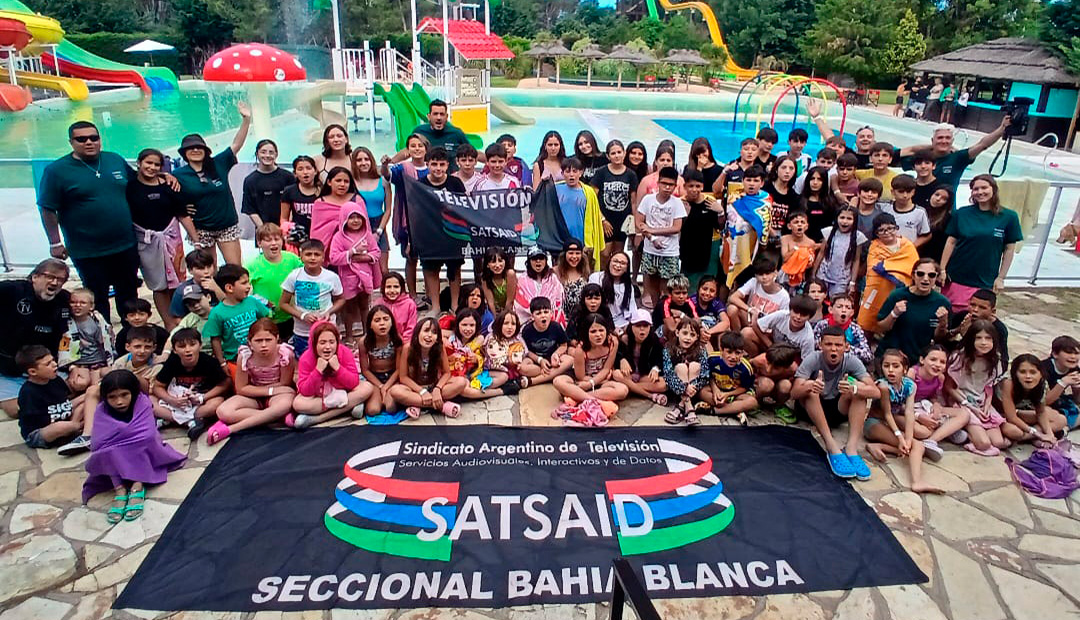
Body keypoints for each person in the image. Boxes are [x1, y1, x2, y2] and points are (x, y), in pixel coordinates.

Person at [38, 122, 143, 321]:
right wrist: (55, 242)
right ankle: (101, 339)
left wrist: (163, 177)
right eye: (81, 139)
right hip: (88, 250)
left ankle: (130, 337)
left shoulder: (114, 160)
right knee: (96, 297)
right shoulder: (56, 171)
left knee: (129, 293)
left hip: (125, 244)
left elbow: (138, 185)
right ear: (71, 142)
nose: (89, 142)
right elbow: (47, 208)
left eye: (93, 138)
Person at [83, 370, 186, 522]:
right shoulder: (101, 411)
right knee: (106, 451)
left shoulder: (142, 402)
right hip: (113, 455)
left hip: (141, 447)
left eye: (124, 394)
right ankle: (120, 489)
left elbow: (148, 435)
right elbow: (98, 443)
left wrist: (128, 440)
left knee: (142, 442)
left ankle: (138, 484)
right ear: (105, 398)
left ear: (133, 392)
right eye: (112, 397)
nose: (119, 401)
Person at [172, 101, 252, 265]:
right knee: (208, 271)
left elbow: (236, 145)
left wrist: (246, 120)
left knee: (235, 269)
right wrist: (182, 207)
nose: (195, 150)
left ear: (205, 150)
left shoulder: (218, 163)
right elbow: (168, 196)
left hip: (226, 225)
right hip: (201, 228)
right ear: (184, 153)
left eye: (198, 147)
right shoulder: (178, 175)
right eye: (190, 148)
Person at [792, 326, 877, 480]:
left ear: (846, 346)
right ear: (820, 345)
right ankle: (831, 446)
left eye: (838, 345)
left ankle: (851, 449)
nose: (834, 349)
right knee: (811, 390)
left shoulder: (851, 360)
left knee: (860, 392)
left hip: (836, 409)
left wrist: (854, 388)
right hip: (811, 409)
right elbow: (794, 392)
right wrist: (810, 385)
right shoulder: (813, 358)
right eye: (829, 344)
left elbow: (875, 391)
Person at [127, 148, 197, 329]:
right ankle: (168, 323)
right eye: (148, 163)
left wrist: (195, 239)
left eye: (156, 164)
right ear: (139, 163)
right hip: (147, 242)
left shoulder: (169, 185)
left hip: (171, 239)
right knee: (158, 285)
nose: (152, 167)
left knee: (177, 282)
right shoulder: (130, 186)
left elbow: (182, 214)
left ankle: (181, 320)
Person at [863, 349, 944, 494]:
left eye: (896, 366)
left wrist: (907, 437)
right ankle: (916, 482)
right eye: (886, 366)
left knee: (915, 444)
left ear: (905, 368)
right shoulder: (883, 386)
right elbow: (887, 414)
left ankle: (878, 446)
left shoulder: (910, 385)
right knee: (916, 447)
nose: (891, 370)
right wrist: (901, 438)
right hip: (875, 423)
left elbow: (909, 411)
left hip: (893, 419)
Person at [939, 174, 1022, 306]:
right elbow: (950, 242)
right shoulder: (962, 213)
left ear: (993, 189)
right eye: (976, 189)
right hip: (956, 276)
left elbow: (1009, 250)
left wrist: (1001, 278)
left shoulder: (1009, 217)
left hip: (986, 279)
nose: (980, 192)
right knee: (950, 315)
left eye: (984, 188)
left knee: (978, 317)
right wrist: (942, 270)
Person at [210, 319, 296, 444]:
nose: (264, 345)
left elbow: (285, 384)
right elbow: (241, 388)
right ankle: (276, 417)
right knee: (223, 411)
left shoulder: (285, 354)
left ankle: (232, 428)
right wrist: (271, 390)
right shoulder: (245, 356)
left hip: (277, 396)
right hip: (255, 395)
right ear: (249, 342)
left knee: (283, 404)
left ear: (277, 338)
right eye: (258, 341)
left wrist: (275, 391)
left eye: (268, 340)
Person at [946, 320, 1019, 455]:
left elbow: (988, 386)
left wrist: (987, 404)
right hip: (962, 402)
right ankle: (962, 434)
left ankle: (968, 433)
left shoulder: (994, 360)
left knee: (998, 443)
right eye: (978, 338)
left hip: (981, 402)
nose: (984, 342)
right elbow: (949, 388)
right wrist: (970, 406)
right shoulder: (959, 357)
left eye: (988, 338)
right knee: (984, 444)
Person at [898, 119, 1011, 201]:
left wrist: (1001, 129)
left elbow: (982, 145)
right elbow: (889, 159)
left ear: (952, 141)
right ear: (932, 140)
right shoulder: (921, 158)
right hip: (919, 207)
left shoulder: (958, 158)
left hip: (946, 211)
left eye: (947, 138)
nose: (944, 141)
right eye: (940, 138)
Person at [291, 321, 374, 428]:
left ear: (337, 342)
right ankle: (350, 406)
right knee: (298, 403)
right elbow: (305, 391)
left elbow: (353, 382)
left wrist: (338, 368)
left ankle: (317, 419)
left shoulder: (344, 352)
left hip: (343, 391)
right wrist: (317, 371)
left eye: (331, 342)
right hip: (320, 396)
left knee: (367, 387)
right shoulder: (306, 358)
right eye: (322, 342)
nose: (327, 347)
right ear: (314, 343)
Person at [152, 328, 229, 440]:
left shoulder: (209, 362)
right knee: (149, 401)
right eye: (182, 347)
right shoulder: (172, 362)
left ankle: (170, 420)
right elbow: (157, 386)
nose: (188, 350)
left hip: (198, 401)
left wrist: (202, 398)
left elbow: (225, 383)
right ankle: (190, 422)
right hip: (176, 400)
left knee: (217, 403)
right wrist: (171, 400)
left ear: (200, 345)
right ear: (174, 350)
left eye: (192, 345)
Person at [16, 345, 92, 455]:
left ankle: (77, 430)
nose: (55, 365)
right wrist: (69, 420)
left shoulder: (55, 380)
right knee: (60, 427)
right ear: (32, 372)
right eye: (48, 364)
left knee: (87, 399)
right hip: (42, 430)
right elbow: (37, 421)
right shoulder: (28, 392)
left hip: (63, 415)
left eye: (53, 360)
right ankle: (78, 428)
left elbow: (66, 402)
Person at [418, 148, 468, 314]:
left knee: (454, 269)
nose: (437, 168)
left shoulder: (455, 183)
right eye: (434, 164)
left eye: (441, 164)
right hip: (429, 234)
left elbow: (464, 208)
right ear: (427, 165)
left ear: (447, 165)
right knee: (431, 269)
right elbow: (415, 210)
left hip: (452, 234)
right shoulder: (421, 184)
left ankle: (454, 304)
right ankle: (436, 306)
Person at [0, 259, 71, 377]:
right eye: (50, 277)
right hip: (6, 363)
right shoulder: (13, 290)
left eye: (60, 279)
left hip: (44, 367)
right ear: (34, 277)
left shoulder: (64, 300)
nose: (54, 282)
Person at [388, 317, 467, 418]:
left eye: (434, 332)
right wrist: (422, 391)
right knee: (395, 391)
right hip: (415, 389)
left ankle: (418, 405)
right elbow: (403, 377)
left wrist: (438, 388)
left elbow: (447, 373)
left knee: (461, 382)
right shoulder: (408, 348)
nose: (429, 335)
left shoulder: (439, 347)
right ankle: (441, 406)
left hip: (434, 386)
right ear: (417, 333)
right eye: (426, 331)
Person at [382, 133, 429, 304]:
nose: (417, 149)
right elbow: (388, 176)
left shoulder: (432, 168)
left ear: (426, 148)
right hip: (406, 219)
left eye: (420, 146)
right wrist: (385, 165)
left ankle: (429, 294)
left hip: (427, 221)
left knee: (428, 261)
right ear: (408, 149)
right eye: (413, 146)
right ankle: (413, 295)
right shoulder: (402, 168)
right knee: (410, 258)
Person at [875, 258, 951, 361]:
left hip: (919, 361)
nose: (925, 278)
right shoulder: (897, 295)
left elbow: (940, 339)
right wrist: (894, 314)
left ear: (936, 278)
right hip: (891, 358)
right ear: (913, 275)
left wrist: (943, 324)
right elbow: (880, 328)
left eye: (931, 275)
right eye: (920, 274)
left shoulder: (942, 303)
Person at [279, 239, 344, 358]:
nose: (312, 258)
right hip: (302, 332)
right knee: (304, 362)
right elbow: (283, 304)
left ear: (323, 257)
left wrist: (328, 312)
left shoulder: (332, 277)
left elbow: (341, 299)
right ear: (301, 256)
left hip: (326, 330)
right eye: (308, 254)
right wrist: (302, 315)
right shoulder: (294, 276)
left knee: (330, 361)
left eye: (317, 254)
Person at [856, 213, 920, 334]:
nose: (887, 232)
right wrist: (893, 270)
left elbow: (912, 266)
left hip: (901, 289)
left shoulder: (907, 246)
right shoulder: (875, 247)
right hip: (878, 288)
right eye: (882, 230)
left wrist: (890, 269)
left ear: (896, 228)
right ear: (876, 233)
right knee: (869, 318)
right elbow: (874, 268)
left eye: (890, 228)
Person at [329, 204, 381, 343]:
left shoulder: (367, 235)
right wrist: (352, 252)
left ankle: (366, 334)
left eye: (359, 217)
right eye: (351, 217)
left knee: (365, 306)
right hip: (348, 279)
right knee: (349, 308)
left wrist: (361, 258)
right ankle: (349, 335)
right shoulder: (338, 237)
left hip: (365, 277)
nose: (356, 220)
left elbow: (376, 253)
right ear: (344, 219)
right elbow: (334, 258)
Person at [205, 264, 272, 369]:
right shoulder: (217, 313)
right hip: (235, 359)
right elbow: (215, 339)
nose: (249, 286)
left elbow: (266, 321)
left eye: (248, 282)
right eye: (244, 283)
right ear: (229, 288)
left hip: (259, 354)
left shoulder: (252, 301)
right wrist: (222, 363)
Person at [553, 313, 627, 405]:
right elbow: (580, 376)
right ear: (586, 333)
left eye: (601, 330)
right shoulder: (580, 350)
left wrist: (591, 383)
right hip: (582, 378)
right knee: (558, 381)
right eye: (593, 331)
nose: (598, 335)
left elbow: (606, 369)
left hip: (601, 379)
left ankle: (579, 397)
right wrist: (589, 382)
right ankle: (595, 400)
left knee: (622, 390)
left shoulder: (612, 343)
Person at [636, 166, 685, 305]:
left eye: (671, 185)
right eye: (664, 183)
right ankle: (655, 312)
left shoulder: (677, 203)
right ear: (658, 183)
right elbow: (640, 222)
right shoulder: (648, 200)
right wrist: (651, 237)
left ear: (675, 186)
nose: (667, 188)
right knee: (651, 285)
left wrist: (652, 231)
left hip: (669, 251)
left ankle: (664, 311)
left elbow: (676, 227)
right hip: (650, 250)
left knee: (666, 287)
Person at [246, 223, 303, 343]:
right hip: (267, 319)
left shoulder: (292, 259)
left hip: (292, 315)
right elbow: (245, 291)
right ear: (259, 243)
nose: (273, 243)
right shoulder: (252, 265)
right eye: (268, 240)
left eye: (277, 239)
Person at [998, 354, 1067, 447]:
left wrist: (1049, 435)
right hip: (1003, 415)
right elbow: (1011, 417)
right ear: (1015, 373)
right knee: (1013, 431)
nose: (1028, 376)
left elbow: (1041, 413)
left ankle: (1026, 438)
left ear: (1040, 373)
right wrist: (1038, 434)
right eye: (1022, 372)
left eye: (1033, 372)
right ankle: (1030, 436)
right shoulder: (1008, 383)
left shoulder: (1042, 383)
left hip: (1023, 413)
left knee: (1061, 420)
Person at [723, 164, 773, 287]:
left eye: (756, 181)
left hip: (751, 247)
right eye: (748, 180)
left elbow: (765, 224)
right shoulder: (733, 197)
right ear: (743, 181)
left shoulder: (766, 200)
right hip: (732, 244)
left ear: (761, 183)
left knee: (743, 282)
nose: (751, 184)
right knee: (725, 279)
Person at [592, 140, 639, 266]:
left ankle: (615, 280)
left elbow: (633, 201)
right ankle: (603, 278)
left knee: (618, 253)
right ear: (608, 156)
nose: (617, 155)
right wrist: (602, 220)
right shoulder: (601, 173)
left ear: (624, 153)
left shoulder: (631, 174)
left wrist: (634, 222)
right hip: (605, 220)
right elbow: (593, 199)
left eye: (619, 152)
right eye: (613, 153)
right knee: (605, 253)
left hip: (622, 221)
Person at [393, 100, 472, 171]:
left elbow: (472, 152)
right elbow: (408, 151)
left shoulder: (456, 133)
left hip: (450, 180)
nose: (438, 117)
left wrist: (485, 159)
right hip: (426, 180)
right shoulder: (420, 132)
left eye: (442, 114)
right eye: (435, 114)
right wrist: (390, 162)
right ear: (429, 116)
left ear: (446, 117)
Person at [61, 288, 115, 393]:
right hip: (78, 362)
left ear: (91, 306)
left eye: (82, 303)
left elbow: (105, 342)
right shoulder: (65, 322)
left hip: (97, 361)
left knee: (97, 387)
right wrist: (70, 366)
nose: (77, 305)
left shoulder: (98, 322)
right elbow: (63, 346)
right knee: (79, 384)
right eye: (73, 302)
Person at [351, 146, 393, 274]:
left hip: (378, 226)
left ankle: (384, 293)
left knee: (383, 270)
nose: (363, 163)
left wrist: (378, 232)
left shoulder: (383, 181)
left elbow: (388, 210)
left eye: (366, 159)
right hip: (358, 227)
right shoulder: (351, 183)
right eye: (359, 160)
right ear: (354, 163)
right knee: (361, 269)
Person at [701, 331, 758, 424]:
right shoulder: (712, 359)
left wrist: (728, 394)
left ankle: (715, 410)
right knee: (702, 391)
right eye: (729, 352)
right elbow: (709, 377)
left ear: (743, 353)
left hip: (735, 394)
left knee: (752, 402)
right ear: (721, 350)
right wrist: (716, 391)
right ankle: (734, 410)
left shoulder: (745, 368)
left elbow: (745, 387)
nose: (733, 357)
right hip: (718, 390)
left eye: (737, 353)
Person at [661, 317, 710, 426]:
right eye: (685, 333)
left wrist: (692, 387)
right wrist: (684, 387)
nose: (688, 338)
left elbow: (705, 374)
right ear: (678, 333)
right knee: (681, 367)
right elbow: (668, 373)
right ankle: (689, 406)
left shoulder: (701, 349)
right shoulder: (668, 348)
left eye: (692, 335)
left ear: (697, 337)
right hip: (676, 387)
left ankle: (681, 406)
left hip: (694, 390)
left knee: (694, 366)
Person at [612, 309, 667, 404]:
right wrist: (621, 360)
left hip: (643, 375)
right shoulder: (624, 339)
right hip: (628, 375)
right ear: (632, 326)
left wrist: (656, 368)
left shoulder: (655, 340)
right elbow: (614, 356)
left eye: (645, 326)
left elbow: (659, 359)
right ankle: (649, 395)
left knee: (663, 384)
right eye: (638, 326)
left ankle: (631, 389)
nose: (642, 329)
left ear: (650, 327)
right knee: (617, 374)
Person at [680, 169, 722, 289]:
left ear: (702, 186)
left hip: (707, 250)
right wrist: (685, 216)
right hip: (687, 250)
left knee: (707, 284)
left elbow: (720, 226)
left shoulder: (710, 202)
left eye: (698, 186)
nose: (694, 189)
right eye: (691, 186)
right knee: (687, 285)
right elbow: (676, 228)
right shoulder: (681, 203)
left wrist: (720, 212)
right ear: (685, 186)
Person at [359, 305, 403, 416]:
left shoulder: (397, 340)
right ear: (370, 325)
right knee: (372, 410)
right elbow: (365, 370)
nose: (382, 323)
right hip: (375, 377)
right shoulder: (364, 342)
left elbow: (399, 369)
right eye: (377, 320)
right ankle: (361, 404)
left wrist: (387, 386)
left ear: (392, 322)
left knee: (390, 408)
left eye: (386, 319)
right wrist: (380, 386)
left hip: (393, 377)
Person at [743, 294, 818, 359]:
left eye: (803, 315)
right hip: (771, 345)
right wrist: (770, 345)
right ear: (790, 310)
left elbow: (807, 361)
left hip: (788, 358)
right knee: (746, 333)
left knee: (793, 368)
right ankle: (753, 360)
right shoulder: (781, 315)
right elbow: (756, 325)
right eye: (795, 312)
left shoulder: (808, 337)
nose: (798, 317)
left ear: (809, 317)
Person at [725, 257, 789, 332]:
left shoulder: (784, 296)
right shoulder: (754, 282)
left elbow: (784, 320)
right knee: (732, 309)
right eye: (760, 274)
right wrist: (750, 309)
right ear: (756, 275)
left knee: (747, 332)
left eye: (768, 273)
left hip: (767, 329)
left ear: (775, 273)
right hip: (750, 318)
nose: (764, 277)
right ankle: (736, 336)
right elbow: (733, 297)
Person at [814, 205, 865, 298]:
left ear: (855, 221)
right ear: (836, 218)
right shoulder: (829, 232)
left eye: (849, 218)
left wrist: (852, 282)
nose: (845, 221)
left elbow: (856, 260)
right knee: (819, 299)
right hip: (823, 274)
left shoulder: (858, 236)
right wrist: (813, 273)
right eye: (842, 217)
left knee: (836, 302)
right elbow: (821, 253)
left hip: (842, 279)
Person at [520, 297, 573, 385]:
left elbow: (564, 345)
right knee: (522, 367)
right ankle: (551, 374)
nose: (543, 315)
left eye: (546, 312)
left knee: (570, 360)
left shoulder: (556, 327)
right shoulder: (527, 330)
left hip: (553, 360)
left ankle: (533, 381)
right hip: (535, 360)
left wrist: (556, 354)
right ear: (532, 317)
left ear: (551, 314)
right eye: (538, 313)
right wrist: (540, 360)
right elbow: (527, 351)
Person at [311, 167, 365, 253]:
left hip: (354, 248)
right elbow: (315, 231)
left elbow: (365, 227)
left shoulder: (357, 200)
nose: (342, 184)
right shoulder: (319, 203)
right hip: (327, 250)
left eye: (346, 181)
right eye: (338, 180)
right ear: (329, 182)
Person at [242, 139, 294, 229]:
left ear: (276, 155)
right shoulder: (250, 181)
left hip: (287, 228)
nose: (267, 155)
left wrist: (286, 226)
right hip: (264, 231)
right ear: (257, 154)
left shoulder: (288, 177)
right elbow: (250, 209)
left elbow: (294, 203)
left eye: (271, 152)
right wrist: (264, 229)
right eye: (263, 152)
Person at [946, 288, 1009, 358]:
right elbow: (944, 340)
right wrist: (957, 330)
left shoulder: (998, 329)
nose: (975, 310)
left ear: (993, 311)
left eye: (982, 307)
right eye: (972, 305)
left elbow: (1003, 361)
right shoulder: (962, 316)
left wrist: (967, 336)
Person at [814, 294, 872, 365]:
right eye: (839, 307)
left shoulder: (855, 329)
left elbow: (868, 355)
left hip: (848, 364)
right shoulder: (822, 325)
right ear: (831, 309)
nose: (844, 310)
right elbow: (813, 347)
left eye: (848, 308)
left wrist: (846, 348)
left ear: (852, 313)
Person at [483, 311, 532, 394]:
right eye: (506, 323)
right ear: (499, 324)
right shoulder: (492, 338)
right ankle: (482, 387)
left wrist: (522, 362)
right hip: (494, 370)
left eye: (513, 324)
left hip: (513, 370)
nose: (510, 327)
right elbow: (487, 354)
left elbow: (525, 353)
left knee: (528, 362)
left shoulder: (518, 339)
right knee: (503, 377)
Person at [588, 251, 637, 331]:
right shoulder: (596, 278)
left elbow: (632, 310)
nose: (618, 265)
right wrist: (612, 328)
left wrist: (627, 327)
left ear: (626, 268)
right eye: (615, 261)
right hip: (599, 320)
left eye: (622, 263)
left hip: (621, 323)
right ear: (609, 262)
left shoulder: (628, 286)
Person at [514, 248, 566, 325]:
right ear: (529, 261)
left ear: (546, 261)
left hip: (552, 321)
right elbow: (520, 303)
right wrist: (536, 315)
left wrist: (545, 315)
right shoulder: (522, 279)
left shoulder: (553, 278)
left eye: (541, 258)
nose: (538, 261)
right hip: (527, 323)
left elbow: (558, 301)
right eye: (534, 258)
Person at [168, 249, 221, 323]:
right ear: (190, 270)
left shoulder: (221, 282)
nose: (206, 271)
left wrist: (216, 289)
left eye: (209, 267)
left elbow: (232, 306)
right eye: (200, 268)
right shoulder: (182, 291)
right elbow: (177, 318)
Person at [751, 343, 799, 423]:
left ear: (786, 366)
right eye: (768, 363)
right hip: (762, 383)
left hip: (778, 386)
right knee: (767, 384)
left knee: (786, 385)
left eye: (776, 367)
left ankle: (779, 406)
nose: (768, 369)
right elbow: (747, 367)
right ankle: (757, 402)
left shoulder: (792, 369)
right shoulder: (759, 360)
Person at [280, 155, 319, 251]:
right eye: (300, 169)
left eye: (308, 168)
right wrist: (286, 233)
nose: (305, 172)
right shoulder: (289, 191)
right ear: (295, 173)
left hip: (318, 236)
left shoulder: (323, 190)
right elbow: (284, 218)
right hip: (298, 236)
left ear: (315, 171)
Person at [1041, 335, 1080, 430]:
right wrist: (1062, 383)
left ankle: (1064, 427)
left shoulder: (1074, 369)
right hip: (1039, 403)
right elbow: (1043, 401)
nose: (1073, 357)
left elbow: (1078, 400)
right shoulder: (1044, 369)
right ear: (1055, 354)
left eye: (1076, 353)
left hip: (1059, 401)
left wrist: (1077, 388)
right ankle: (1062, 427)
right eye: (1068, 353)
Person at [110, 325, 162, 395]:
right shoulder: (120, 363)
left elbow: (152, 391)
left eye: (147, 347)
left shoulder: (157, 366)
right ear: (127, 347)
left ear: (154, 348)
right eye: (137, 347)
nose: (142, 351)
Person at [884, 175, 931, 247]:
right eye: (901, 192)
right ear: (892, 192)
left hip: (907, 254)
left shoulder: (920, 212)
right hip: (885, 252)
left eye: (908, 191)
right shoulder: (884, 208)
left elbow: (926, 235)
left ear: (913, 192)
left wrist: (911, 247)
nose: (905, 195)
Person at [797, 166, 838, 243]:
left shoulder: (831, 202)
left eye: (819, 179)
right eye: (812, 179)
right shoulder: (799, 200)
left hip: (824, 243)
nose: (815, 182)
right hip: (802, 242)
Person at [556, 239, 591, 328]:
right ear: (564, 255)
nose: (574, 256)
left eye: (577, 253)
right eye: (571, 253)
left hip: (583, 319)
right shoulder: (556, 272)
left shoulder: (586, 273)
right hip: (562, 320)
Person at [171, 283, 213, 354]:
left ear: (208, 297)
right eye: (191, 304)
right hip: (199, 354)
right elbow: (174, 335)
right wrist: (165, 353)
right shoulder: (189, 319)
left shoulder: (220, 313)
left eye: (198, 301)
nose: (196, 306)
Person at [651, 274, 696, 341]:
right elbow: (671, 328)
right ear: (670, 293)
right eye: (677, 293)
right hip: (659, 333)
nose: (681, 296)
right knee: (676, 322)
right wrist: (683, 320)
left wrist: (681, 315)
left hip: (682, 331)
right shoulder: (664, 303)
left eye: (684, 293)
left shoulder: (688, 301)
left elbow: (697, 322)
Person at [780, 211, 817, 290]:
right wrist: (797, 249)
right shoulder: (785, 239)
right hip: (785, 276)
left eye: (802, 222)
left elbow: (810, 264)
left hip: (801, 278)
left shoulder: (810, 243)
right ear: (789, 226)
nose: (799, 224)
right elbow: (785, 258)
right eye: (796, 222)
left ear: (806, 226)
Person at [921, 185, 954, 262]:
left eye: (944, 199)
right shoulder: (919, 210)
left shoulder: (947, 219)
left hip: (933, 257)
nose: (938, 199)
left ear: (947, 203)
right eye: (937, 195)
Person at [480, 248, 517, 316]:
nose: (497, 265)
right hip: (495, 311)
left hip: (512, 309)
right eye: (493, 262)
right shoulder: (484, 278)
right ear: (487, 265)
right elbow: (490, 302)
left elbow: (510, 301)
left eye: (500, 261)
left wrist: (504, 317)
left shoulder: (510, 274)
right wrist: (495, 320)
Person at [381, 272, 418, 341]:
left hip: (403, 341)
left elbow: (411, 328)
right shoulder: (378, 303)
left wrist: (403, 342)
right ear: (383, 288)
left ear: (402, 288)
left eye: (396, 287)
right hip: (382, 341)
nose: (392, 290)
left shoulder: (410, 304)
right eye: (388, 287)